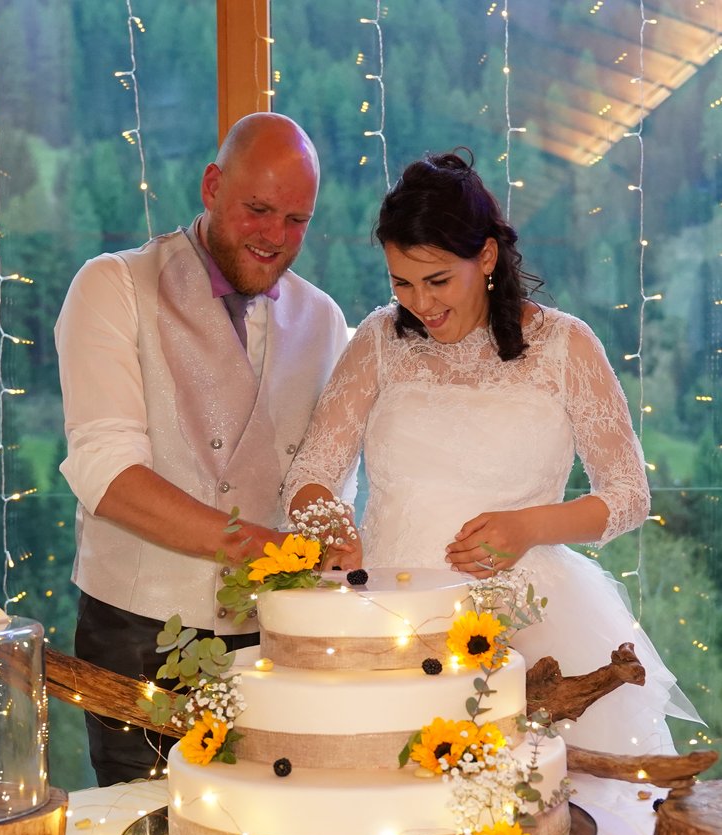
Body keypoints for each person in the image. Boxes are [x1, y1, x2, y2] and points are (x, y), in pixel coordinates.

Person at [283, 150, 697, 754]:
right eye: (402, 282)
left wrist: (529, 526)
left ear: (486, 256)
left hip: (526, 623)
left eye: (438, 280)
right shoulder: (377, 339)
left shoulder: (565, 345)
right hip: (390, 616)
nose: (420, 304)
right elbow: (312, 472)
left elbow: (630, 495)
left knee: (538, 817)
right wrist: (328, 525)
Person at [56, 113, 349, 785]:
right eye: (258, 209)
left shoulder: (325, 319)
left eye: (297, 219)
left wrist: (329, 531)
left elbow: (324, 473)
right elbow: (106, 471)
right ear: (212, 185)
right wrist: (255, 544)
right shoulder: (111, 286)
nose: (275, 236)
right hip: (138, 637)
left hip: (274, 637)